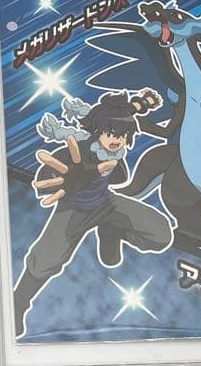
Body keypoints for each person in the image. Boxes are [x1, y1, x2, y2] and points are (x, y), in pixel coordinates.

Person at [13, 88, 172, 338]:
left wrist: (143, 103)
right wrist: (67, 179)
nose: (117, 139)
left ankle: (111, 231)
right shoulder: (78, 149)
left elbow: (126, 112)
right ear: (98, 131)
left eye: (123, 135)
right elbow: (48, 176)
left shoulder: (114, 141)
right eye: (111, 134)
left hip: (105, 203)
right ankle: (17, 305)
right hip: (73, 209)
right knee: (45, 259)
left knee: (160, 233)